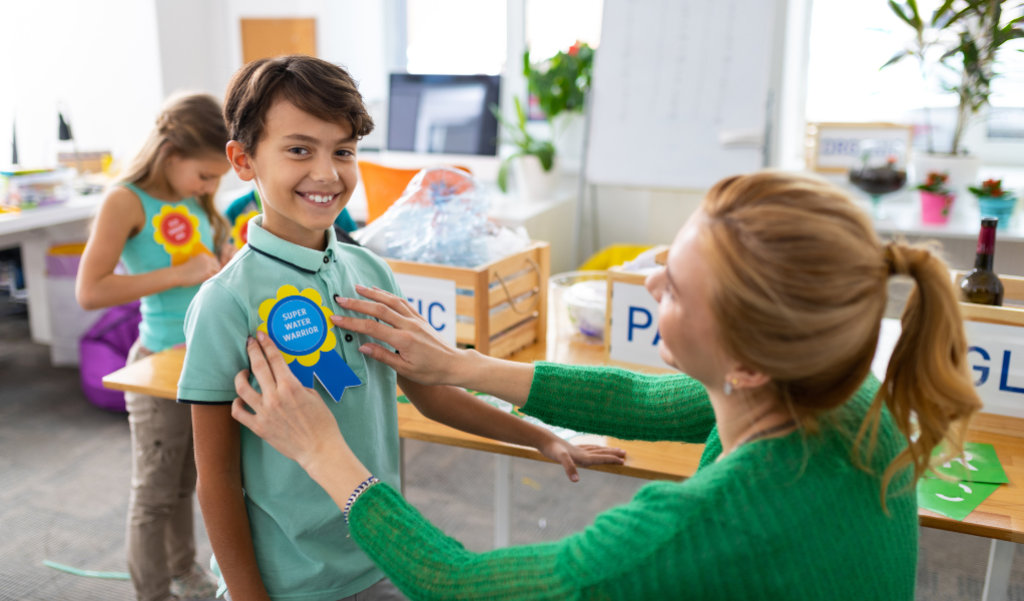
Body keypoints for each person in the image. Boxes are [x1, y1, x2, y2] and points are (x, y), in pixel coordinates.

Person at [230, 171, 983, 600]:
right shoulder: (846, 402)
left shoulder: (681, 531)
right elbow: (646, 400)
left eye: (678, 288)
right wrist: (461, 364)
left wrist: (325, 452)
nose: (651, 278)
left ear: (748, 363)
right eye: (668, 256)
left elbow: (458, 583)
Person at [177, 54, 624, 601]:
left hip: (381, 552)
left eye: (343, 150)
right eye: (299, 149)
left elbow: (434, 396)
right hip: (287, 583)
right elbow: (217, 479)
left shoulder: (369, 271)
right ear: (242, 161)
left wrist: (544, 440)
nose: (327, 172)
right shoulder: (225, 301)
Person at [76, 92, 232, 601]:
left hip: (203, 364)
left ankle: (184, 569)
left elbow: (209, 271)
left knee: (189, 482)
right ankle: (153, 593)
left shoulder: (196, 199)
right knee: (154, 496)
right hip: (157, 367)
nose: (211, 186)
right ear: (171, 155)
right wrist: (178, 273)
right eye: (206, 175)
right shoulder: (125, 199)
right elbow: (90, 290)